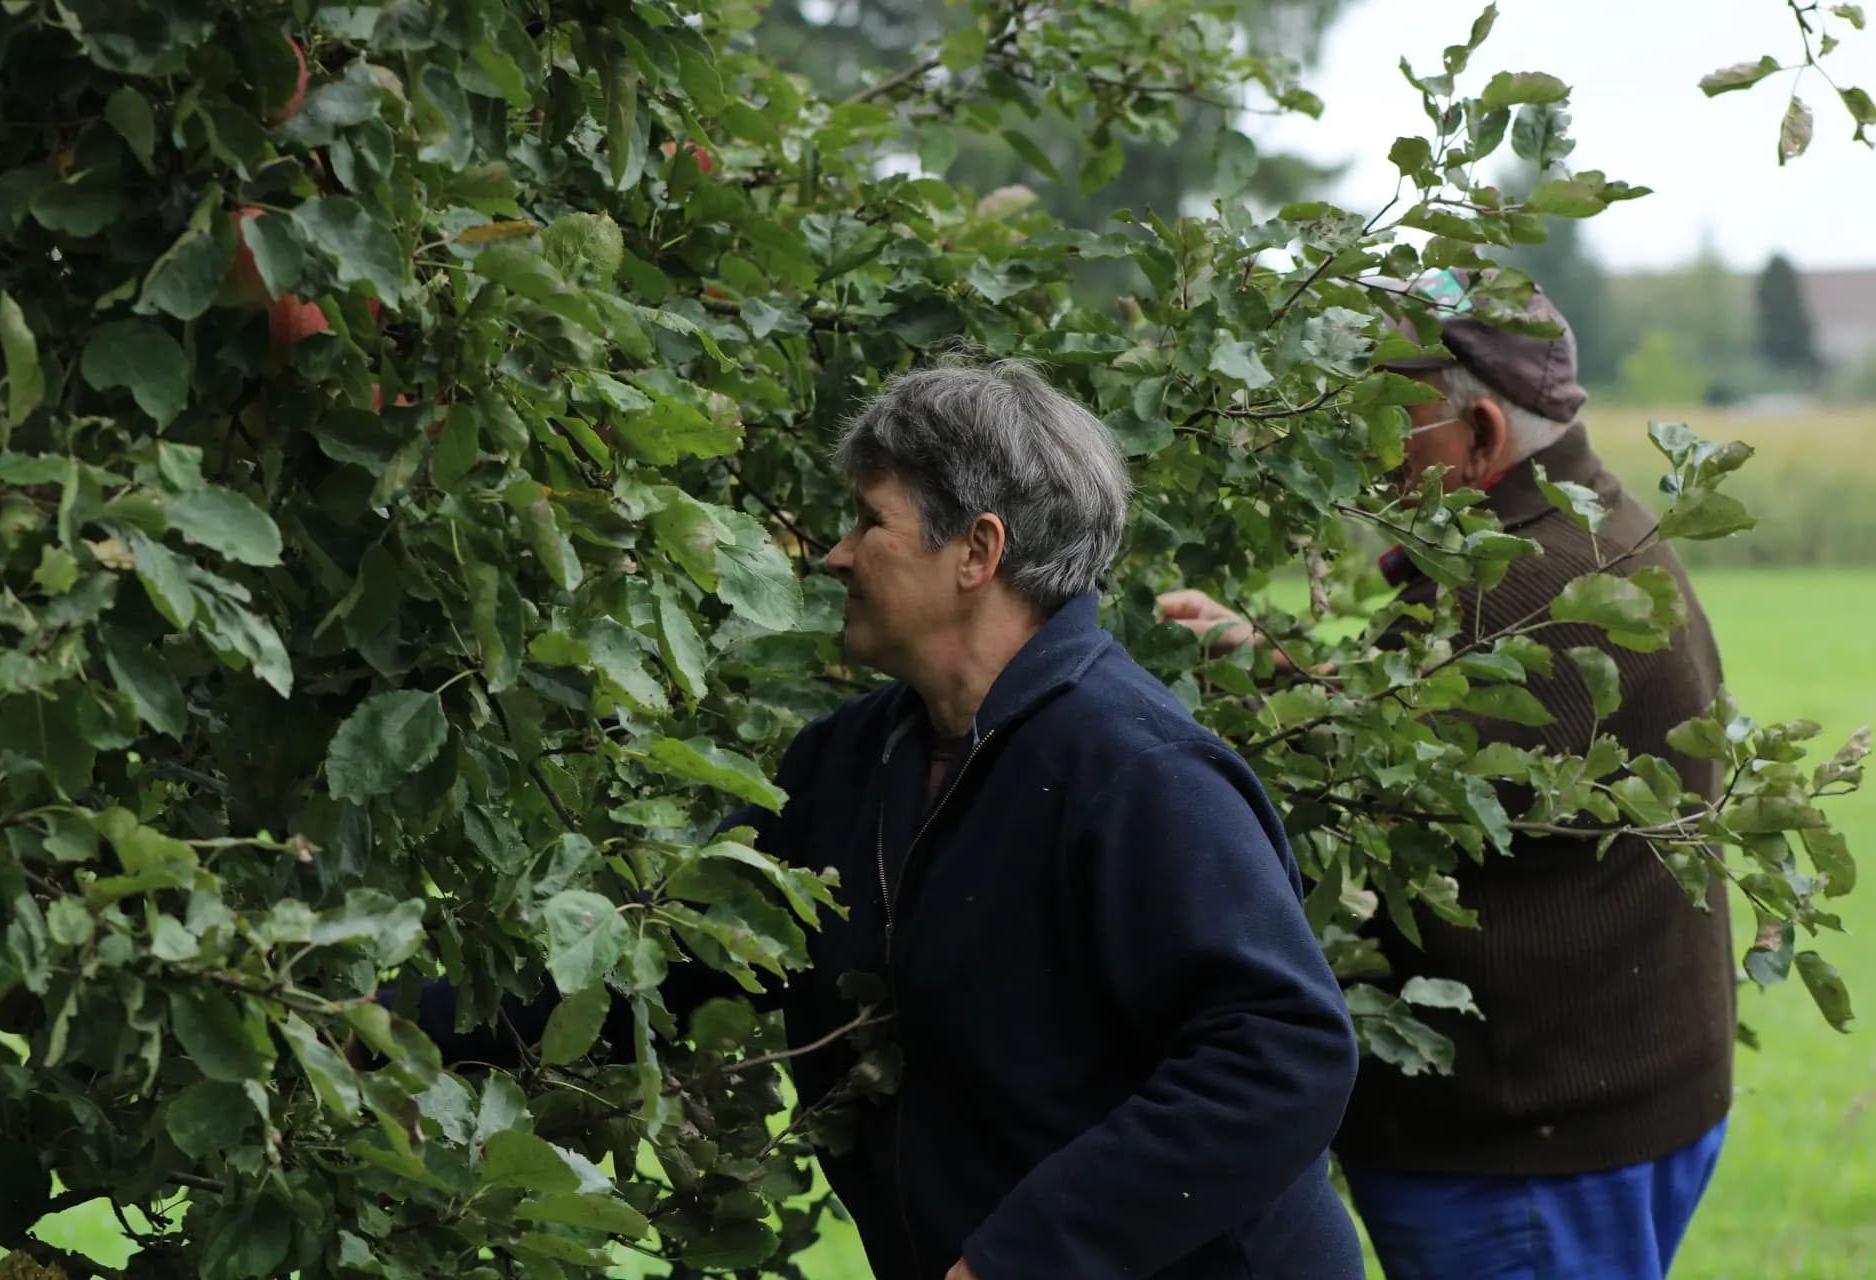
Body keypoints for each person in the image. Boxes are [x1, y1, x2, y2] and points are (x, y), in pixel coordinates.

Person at [422, 360, 1364, 1279]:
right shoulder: (846, 763)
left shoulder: (1138, 775)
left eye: (870, 521)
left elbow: (1283, 1056)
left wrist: (1021, 1259)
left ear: (977, 552)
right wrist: (398, 1029)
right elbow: (673, 965)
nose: (834, 553)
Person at [1160, 272, 1733, 1280]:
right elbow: (1417, 731)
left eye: (1397, 420)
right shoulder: (1587, 528)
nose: (1376, 455)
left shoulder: (1526, 586)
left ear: (1479, 435)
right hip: (1605, 1111)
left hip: (1529, 1150)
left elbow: (1362, 777)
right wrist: (1260, 658)